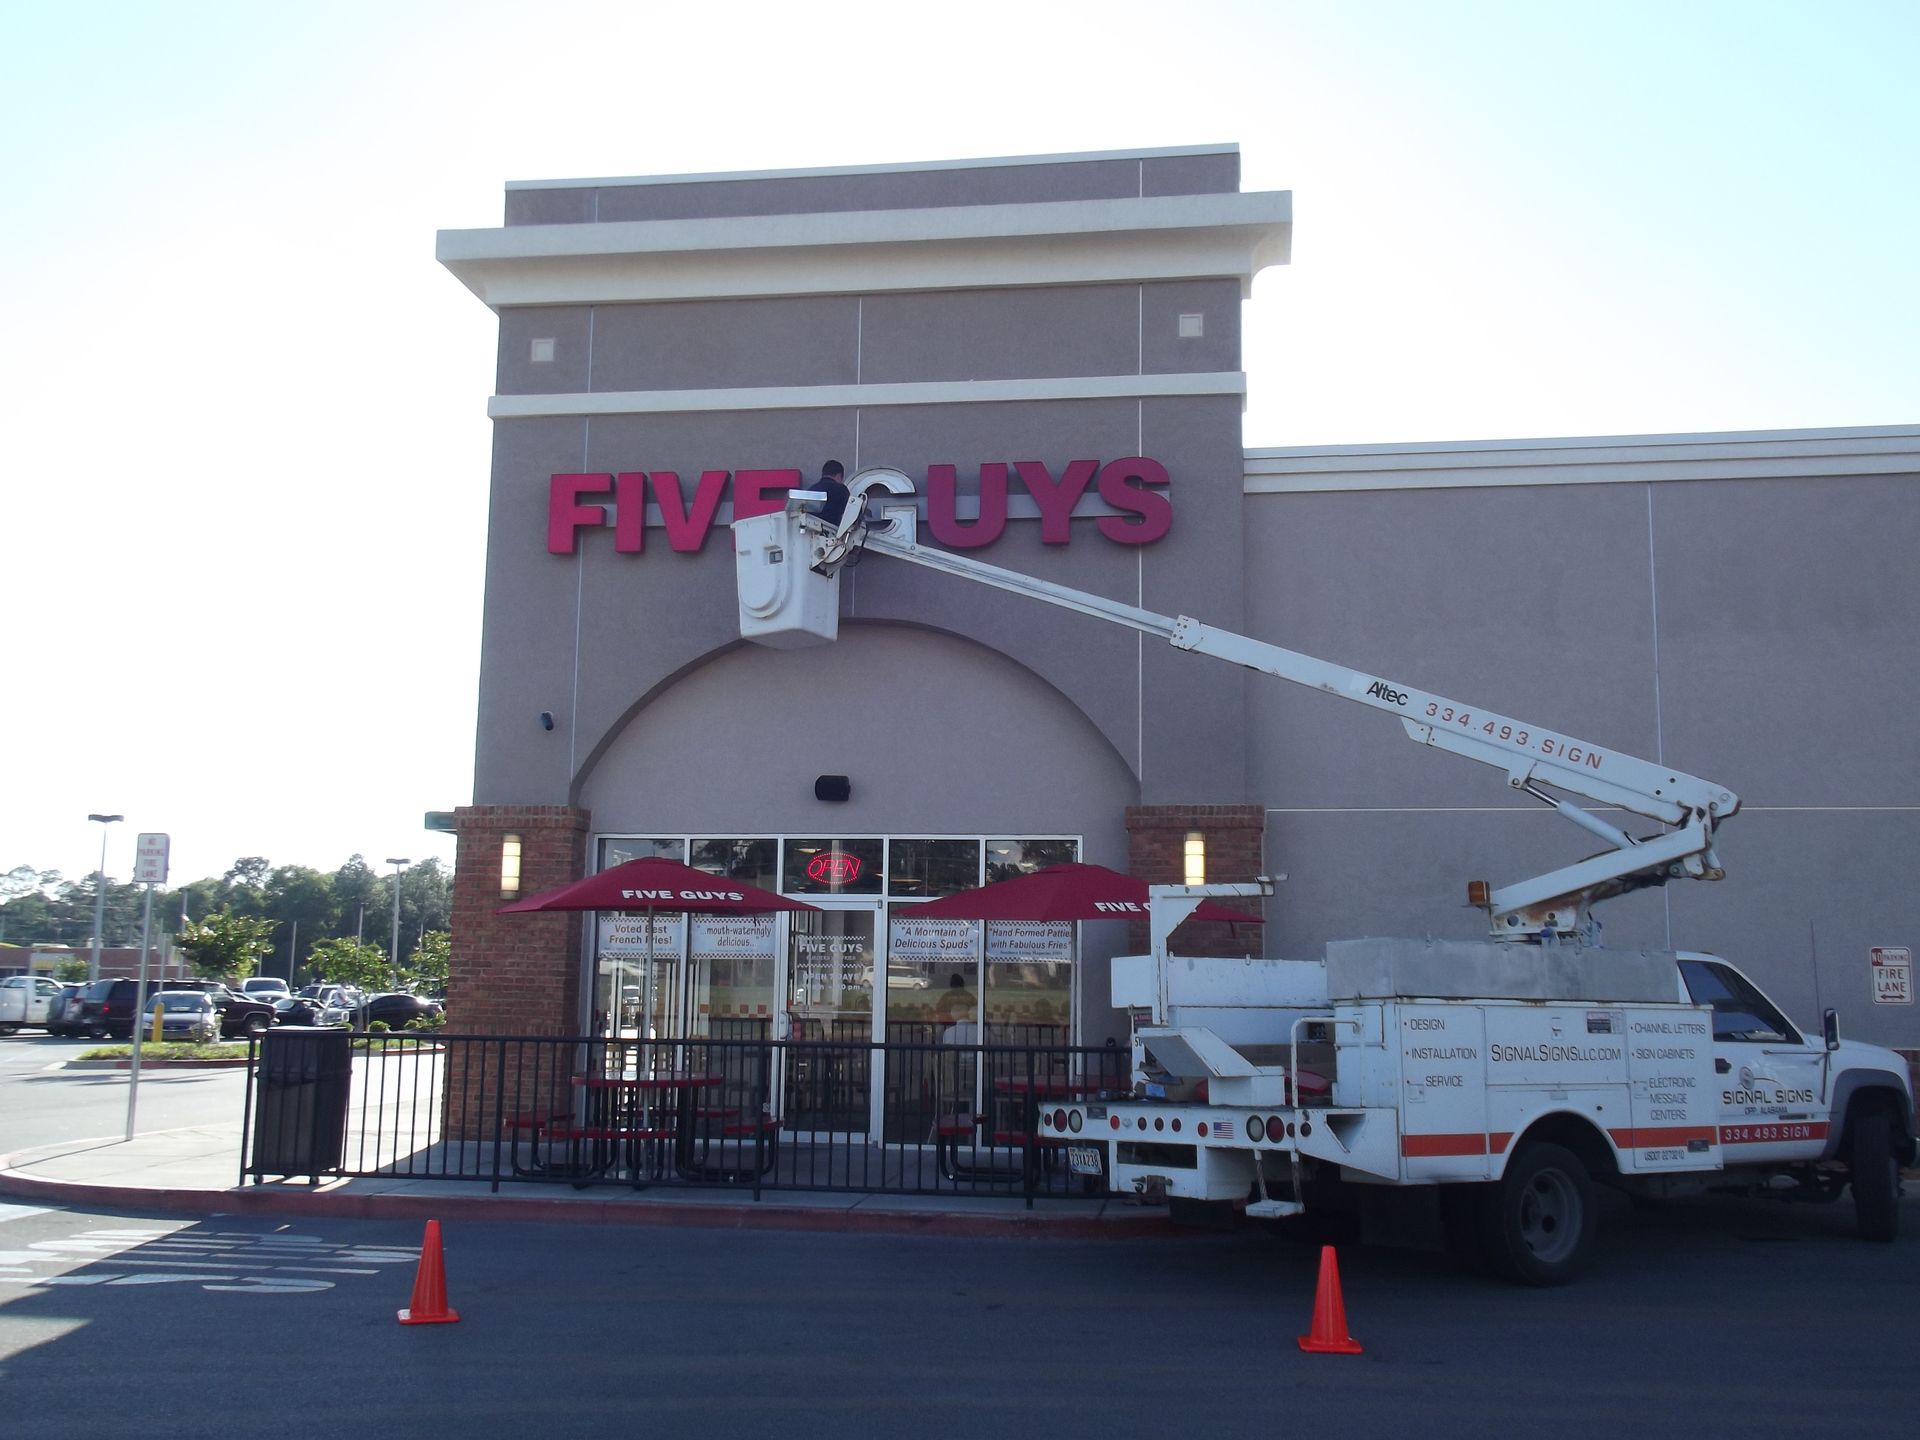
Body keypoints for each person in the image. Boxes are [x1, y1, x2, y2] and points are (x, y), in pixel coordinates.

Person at [808, 460, 850, 527]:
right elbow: (850, 512)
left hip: (810, 530)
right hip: (831, 531)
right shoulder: (841, 489)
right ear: (839, 475)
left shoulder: (811, 489)